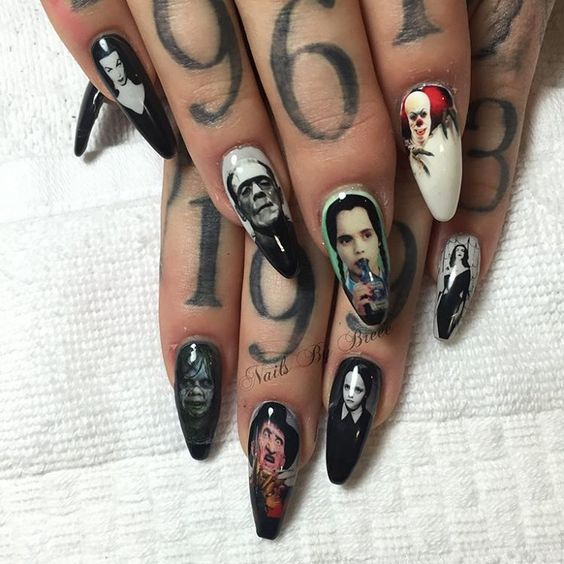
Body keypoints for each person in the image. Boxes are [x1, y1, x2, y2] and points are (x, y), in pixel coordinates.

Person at [325, 193, 389, 326]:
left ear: (379, 238)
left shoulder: (392, 279)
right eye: (346, 240)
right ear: (335, 248)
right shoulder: (333, 295)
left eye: (367, 235)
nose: (358, 249)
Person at [248, 402, 299, 538]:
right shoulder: (255, 481)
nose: (271, 448)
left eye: (278, 442)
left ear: (283, 460)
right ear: (253, 446)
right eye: (266, 434)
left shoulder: (280, 494)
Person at [326, 363, 374, 484]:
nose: (350, 394)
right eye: (347, 387)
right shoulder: (334, 411)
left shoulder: (367, 418)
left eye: (357, 390)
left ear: (366, 393)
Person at [435, 243, 471, 339]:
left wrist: (460, 308)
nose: (460, 252)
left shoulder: (467, 271)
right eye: (457, 250)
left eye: (462, 251)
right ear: (454, 252)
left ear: (465, 254)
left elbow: (464, 292)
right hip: (443, 302)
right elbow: (443, 289)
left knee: (446, 331)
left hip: (455, 303)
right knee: (441, 329)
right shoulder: (447, 268)